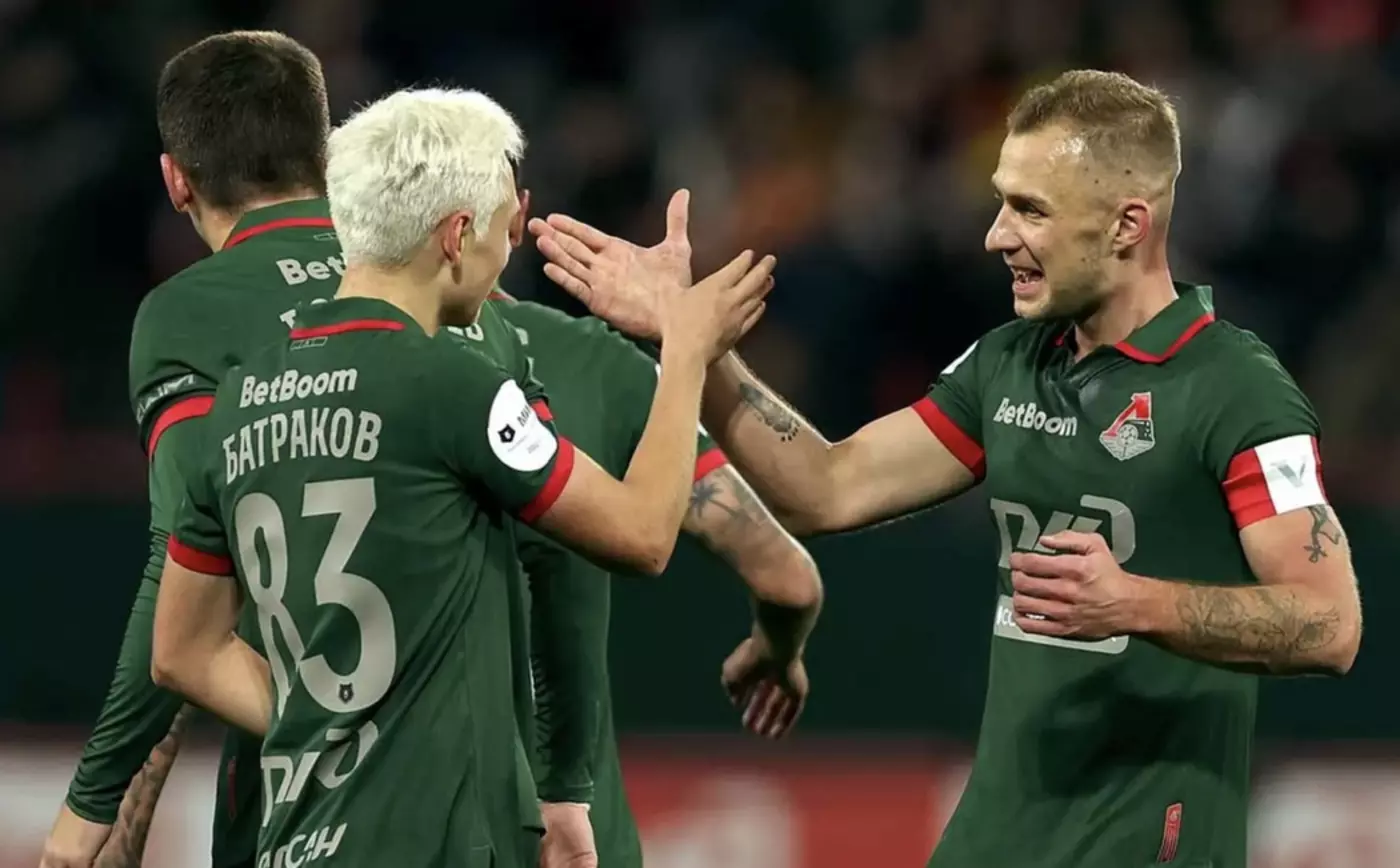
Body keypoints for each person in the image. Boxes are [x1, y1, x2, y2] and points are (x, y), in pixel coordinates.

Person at [528, 69, 1364, 868]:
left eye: (1030, 209)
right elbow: (826, 486)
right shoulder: (1010, 362)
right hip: (992, 842)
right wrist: (693, 342)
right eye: (1001, 201)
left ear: (1126, 225)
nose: (997, 235)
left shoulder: (1236, 389)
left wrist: (1135, 603)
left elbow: (1331, 625)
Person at [147, 85, 775, 868]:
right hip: (435, 843)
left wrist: (329, 725)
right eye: (501, 228)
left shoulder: (241, 398)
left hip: (296, 841)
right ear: (455, 235)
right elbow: (644, 535)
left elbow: (182, 652)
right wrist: (685, 350)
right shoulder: (453, 383)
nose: (506, 253)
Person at [41, 31, 343, 868]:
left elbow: (186, 556)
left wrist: (90, 806)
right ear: (326, 155)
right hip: (494, 767)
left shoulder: (189, 314)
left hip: (311, 777)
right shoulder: (441, 280)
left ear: (176, 180)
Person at [491, 279, 822, 868]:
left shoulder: (337, 369)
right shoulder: (595, 360)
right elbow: (788, 580)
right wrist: (777, 651)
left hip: (394, 823)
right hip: (585, 841)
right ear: (514, 230)